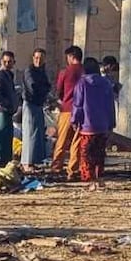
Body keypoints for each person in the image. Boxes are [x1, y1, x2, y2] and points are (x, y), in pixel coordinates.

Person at [72, 57, 116, 189]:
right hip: (102, 125)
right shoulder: (106, 83)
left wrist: (75, 120)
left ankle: (89, 179)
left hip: (87, 125)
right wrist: (111, 123)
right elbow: (110, 105)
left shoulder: (82, 83)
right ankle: (99, 178)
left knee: (86, 154)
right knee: (99, 153)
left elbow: (78, 104)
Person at [51, 45, 84, 180]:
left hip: (67, 109)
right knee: (77, 141)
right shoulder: (84, 72)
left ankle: (56, 167)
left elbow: (59, 91)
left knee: (62, 140)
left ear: (71, 57)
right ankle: (73, 169)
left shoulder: (65, 72)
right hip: (82, 110)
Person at [21, 48, 50, 166]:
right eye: (37, 58)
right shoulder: (29, 71)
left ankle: (35, 161)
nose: (39, 60)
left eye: (41, 58)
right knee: (30, 133)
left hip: (38, 105)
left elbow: (47, 85)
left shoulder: (42, 72)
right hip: (30, 104)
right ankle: (26, 163)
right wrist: (43, 91)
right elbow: (33, 87)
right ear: (33, 58)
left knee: (38, 134)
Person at [0, 51, 18, 165]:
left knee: (7, 140)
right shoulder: (0, 75)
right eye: (5, 61)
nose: (7, 64)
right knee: (0, 141)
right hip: (1, 112)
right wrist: (6, 104)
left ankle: (5, 163)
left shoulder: (8, 75)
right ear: (1, 62)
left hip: (8, 113)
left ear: (13, 63)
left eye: (9, 62)